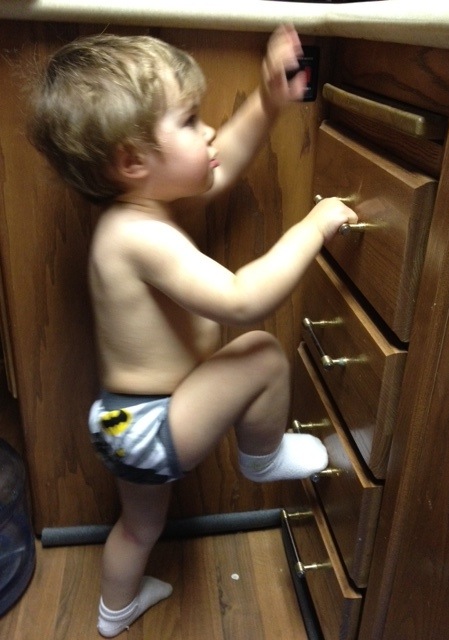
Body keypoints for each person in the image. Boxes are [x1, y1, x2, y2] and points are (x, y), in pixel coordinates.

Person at [28, 24, 357, 638]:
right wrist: (312, 227)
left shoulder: (137, 215)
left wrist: (268, 100)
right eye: (189, 121)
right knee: (260, 354)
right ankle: (262, 458)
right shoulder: (141, 235)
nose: (208, 133)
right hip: (155, 421)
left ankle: (114, 612)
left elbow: (219, 164)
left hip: (125, 423)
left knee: (139, 528)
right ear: (133, 161)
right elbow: (241, 300)